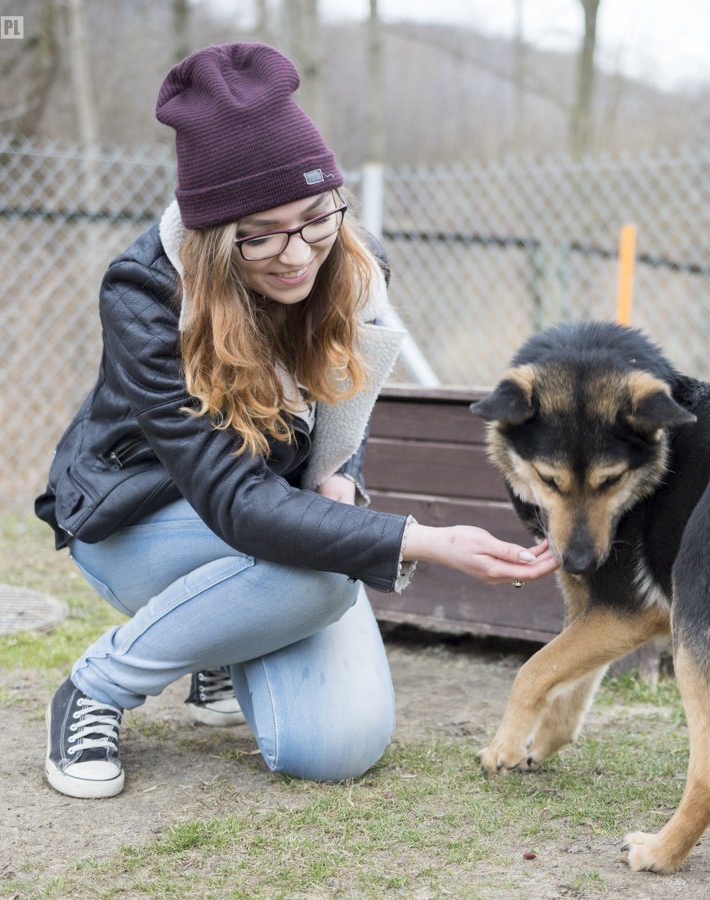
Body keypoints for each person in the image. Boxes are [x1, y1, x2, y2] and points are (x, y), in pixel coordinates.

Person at [34, 42, 558, 800]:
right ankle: (96, 688)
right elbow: (236, 501)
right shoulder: (147, 295)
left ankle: (219, 638)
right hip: (140, 519)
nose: (297, 254)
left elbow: (346, 400)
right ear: (215, 240)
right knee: (321, 580)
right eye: (261, 234)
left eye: (315, 219)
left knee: (336, 747)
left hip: (260, 522)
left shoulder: (351, 265)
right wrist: (426, 540)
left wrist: (341, 476)